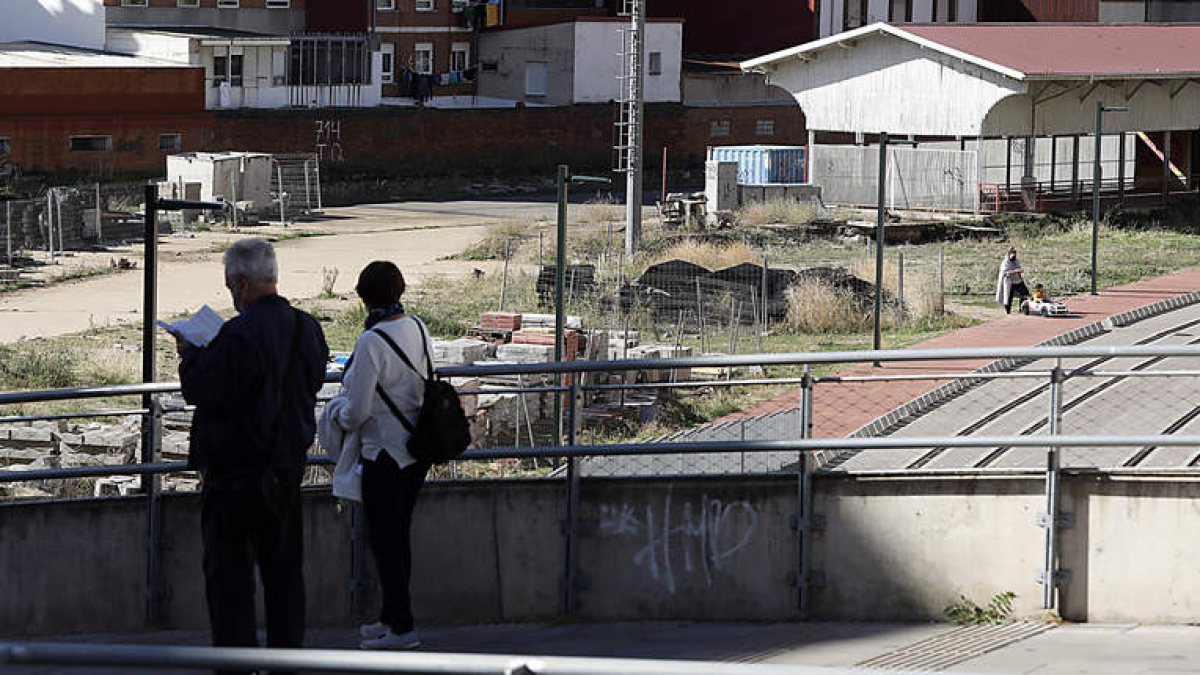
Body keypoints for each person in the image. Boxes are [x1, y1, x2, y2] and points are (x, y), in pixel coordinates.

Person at [178, 238, 329, 672]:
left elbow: (203, 390)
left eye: (230, 285)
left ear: (242, 282)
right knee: (284, 583)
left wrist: (189, 357)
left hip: (235, 476)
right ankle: (287, 664)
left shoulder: (238, 334)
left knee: (230, 587)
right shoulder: (307, 328)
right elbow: (313, 378)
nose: (231, 293)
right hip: (286, 474)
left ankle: (236, 665)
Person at [332, 261, 432, 650]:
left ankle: (402, 628)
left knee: (385, 542)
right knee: (398, 537)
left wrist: (335, 413)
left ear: (364, 298)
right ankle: (391, 616)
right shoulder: (418, 327)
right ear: (399, 292)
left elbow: (356, 412)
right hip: (417, 450)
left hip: (383, 453)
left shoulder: (371, 342)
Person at [995, 247, 1030, 314]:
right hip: (1008, 282)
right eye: (1013, 254)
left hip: (1017, 280)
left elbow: (1019, 268)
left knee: (1025, 293)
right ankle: (1008, 311)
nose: (1014, 256)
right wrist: (1015, 271)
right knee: (1008, 297)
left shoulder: (1016, 261)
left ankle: (1021, 309)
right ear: (1009, 254)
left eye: (1015, 254)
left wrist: (1020, 273)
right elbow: (1005, 272)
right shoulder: (1005, 262)